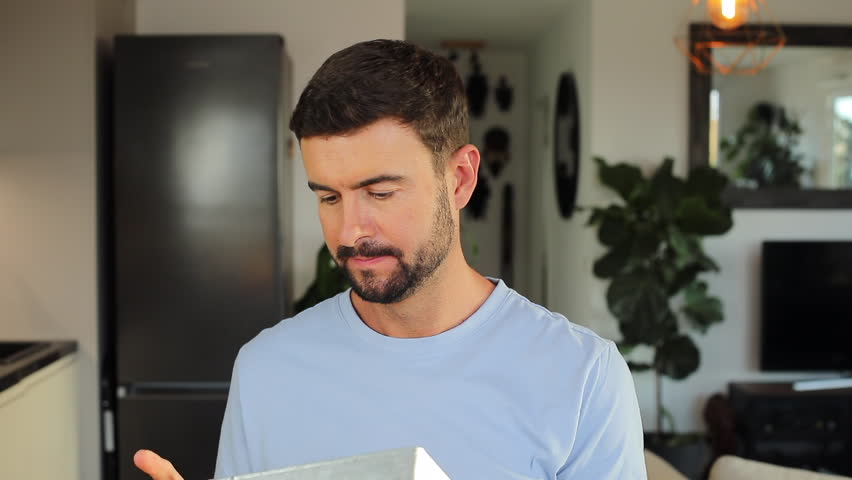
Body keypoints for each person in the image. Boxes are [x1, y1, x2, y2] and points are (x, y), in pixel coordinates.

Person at [133, 39, 646, 480]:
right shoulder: (266, 369)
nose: (351, 230)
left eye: (379, 193)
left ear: (461, 179)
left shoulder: (582, 378)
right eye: (329, 197)